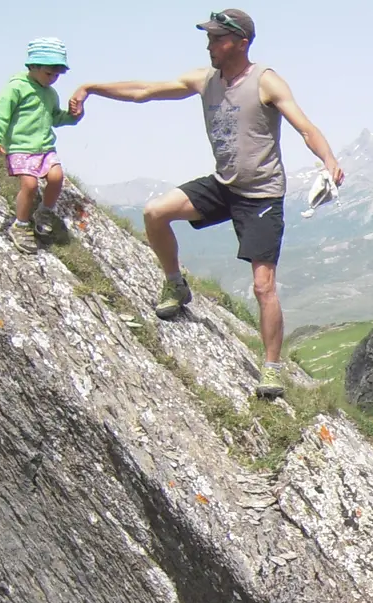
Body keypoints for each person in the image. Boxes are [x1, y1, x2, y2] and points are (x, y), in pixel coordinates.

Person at [67, 9, 345, 397]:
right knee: (155, 212)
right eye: (209, 38)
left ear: (241, 42)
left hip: (262, 195)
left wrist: (328, 160)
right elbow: (145, 91)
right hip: (223, 185)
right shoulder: (205, 79)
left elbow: (305, 127)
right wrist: (92, 87)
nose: (209, 44)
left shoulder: (266, 82)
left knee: (263, 286)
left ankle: (271, 369)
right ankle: (175, 285)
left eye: (217, 38)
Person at [0, 38, 79, 254]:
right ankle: (20, 224)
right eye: (49, 73)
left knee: (56, 177)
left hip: (45, 148)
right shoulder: (16, 88)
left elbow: (55, 118)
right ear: (33, 66)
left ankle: (44, 212)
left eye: (57, 75)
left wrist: (73, 116)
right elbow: (0, 115)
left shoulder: (50, 93)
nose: (53, 79)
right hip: (20, 147)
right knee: (29, 185)